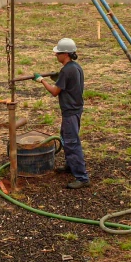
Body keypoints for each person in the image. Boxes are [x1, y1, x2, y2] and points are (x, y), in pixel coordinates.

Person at [33, 38, 90, 189]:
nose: (56, 55)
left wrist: (42, 81)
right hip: (75, 109)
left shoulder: (67, 70)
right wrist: (59, 79)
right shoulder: (75, 67)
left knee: (71, 142)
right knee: (66, 138)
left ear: (65, 54)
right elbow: (69, 84)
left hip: (70, 111)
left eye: (58, 53)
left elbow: (54, 92)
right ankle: (71, 165)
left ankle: (82, 177)